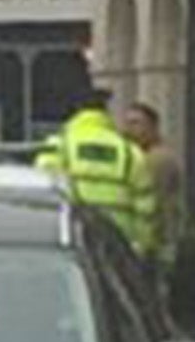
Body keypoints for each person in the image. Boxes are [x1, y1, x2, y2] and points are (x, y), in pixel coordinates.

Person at [37, 87, 159, 261]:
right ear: (106, 113)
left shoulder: (58, 146)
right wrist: (140, 248)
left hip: (72, 244)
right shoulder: (129, 153)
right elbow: (146, 210)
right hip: (119, 248)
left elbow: (45, 196)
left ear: (76, 112)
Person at [121, 103, 182, 254]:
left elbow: (157, 203)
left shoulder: (158, 160)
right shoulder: (135, 157)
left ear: (153, 127)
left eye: (136, 123)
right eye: (127, 123)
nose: (128, 130)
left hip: (157, 243)